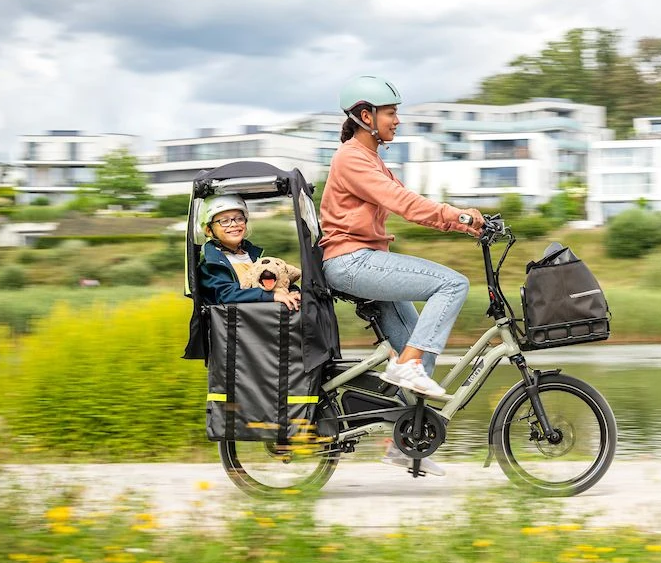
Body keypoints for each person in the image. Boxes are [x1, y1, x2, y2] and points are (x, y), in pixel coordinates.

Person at [319, 75, 484, 475]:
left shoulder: (371, 159)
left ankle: (408, 446)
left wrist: (463, 222)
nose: (397, 121)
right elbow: (404, 204)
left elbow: (409, 199)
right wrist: (456, 216)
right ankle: (404, 365)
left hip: (366, 260)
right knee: (452, 283)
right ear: (365, 116)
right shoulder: (352, 158)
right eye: (391, 113)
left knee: (420, 351)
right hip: (352, 261)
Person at [197, 194, 302, 311]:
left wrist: (291, 291)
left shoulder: (254, 255)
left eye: (239, 218)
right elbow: (226, 294)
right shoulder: (211, 262)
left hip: (263, 319)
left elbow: (278, 281)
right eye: (224, 221)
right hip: (234, 324)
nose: (234, 224)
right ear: (209, 230)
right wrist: (272, 296)